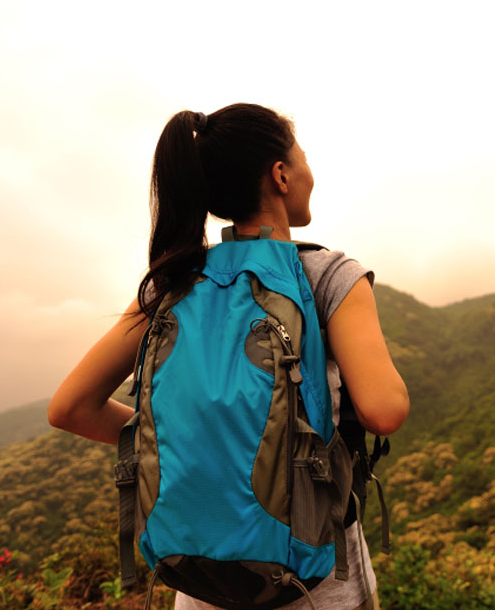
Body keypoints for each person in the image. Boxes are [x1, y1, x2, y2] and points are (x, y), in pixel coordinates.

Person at [48, 103, 409, 610]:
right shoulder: (329, 276)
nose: (310, 172)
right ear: (281, 175)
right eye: (302, 159)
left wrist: (190, 443)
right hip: (315, 585)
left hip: (200, 581)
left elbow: (70, 408)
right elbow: (384, 410)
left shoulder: (173, 282)